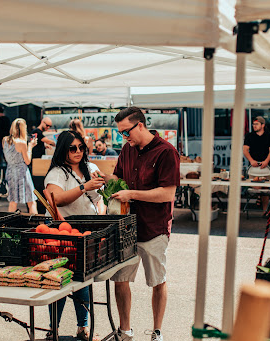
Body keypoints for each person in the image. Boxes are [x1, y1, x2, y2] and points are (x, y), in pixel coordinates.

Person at [94, 107, 179, 341]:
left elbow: (167, 194)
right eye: (121, 133)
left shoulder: (166, 152)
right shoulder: (126, 150)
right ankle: (125, 331)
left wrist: (132, 194)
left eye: (125, 132)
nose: (124, 137)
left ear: (140, 125)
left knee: (157, 281)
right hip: (126, 228)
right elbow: (119, 179)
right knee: (120, 279)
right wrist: (104, 178)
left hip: (154, 228)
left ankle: (157, 331)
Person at [44, 130, 105, 340]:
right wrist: (83, 186)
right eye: (72, 148)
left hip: (86, 231)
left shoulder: (91, 168)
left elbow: (99, 198)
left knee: (83, 280)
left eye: (81, 147)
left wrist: (101, 214)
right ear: (64, 149)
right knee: (60, 281)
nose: (78, 151)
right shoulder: (57, 173)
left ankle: (83, 327)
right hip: (62, 232)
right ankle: (53, 330)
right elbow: (56, 199)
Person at [3, 118, 38, 214]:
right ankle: (34, 224)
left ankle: (8, 224)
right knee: (31, 201)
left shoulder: (5, 140)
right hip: (21, 173)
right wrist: (30, 147)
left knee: (12, 202)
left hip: (10, 171)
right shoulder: (22, 143)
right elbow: (27, 161)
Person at [243, 116, 270, 212]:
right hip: (253, 167)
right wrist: (251, 160)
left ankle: (265, 210)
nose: (254, 126)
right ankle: (259, 197)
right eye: (253, 124)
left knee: (265, 189)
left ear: (263, 125)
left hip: (267, 166)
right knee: (257, 187)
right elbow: (245, 149)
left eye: (256, 124)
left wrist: (266, 161)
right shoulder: (249, 136)